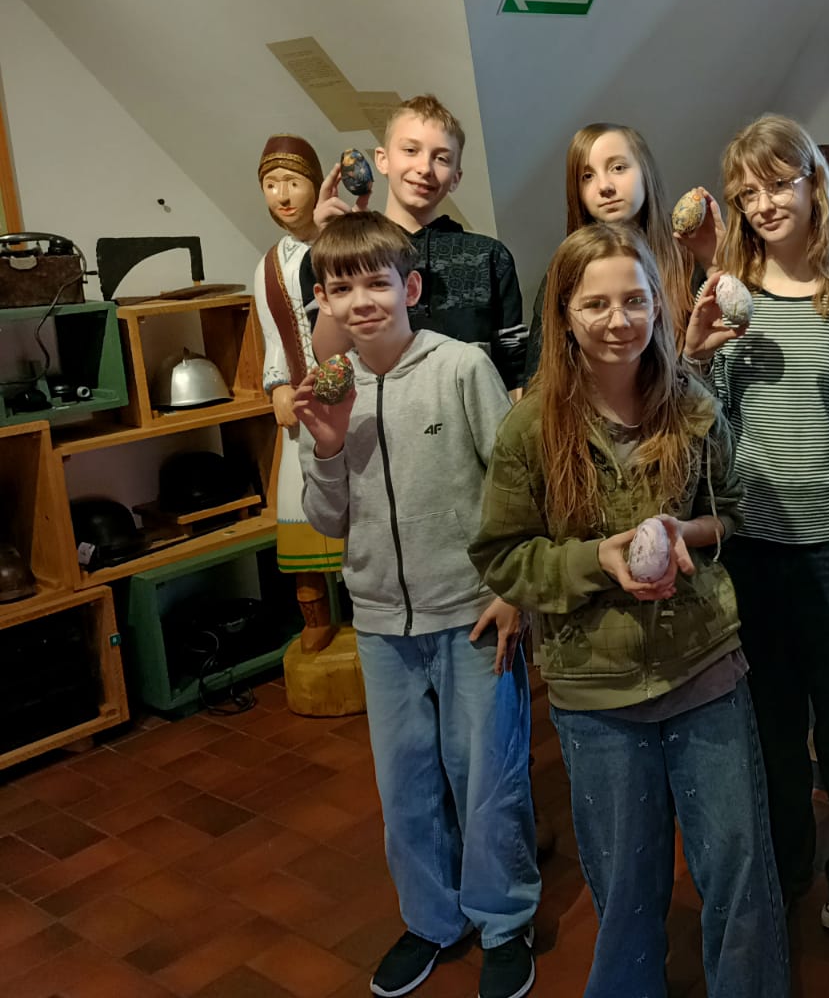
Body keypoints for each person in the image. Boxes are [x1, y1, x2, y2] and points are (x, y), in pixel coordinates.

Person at [471, 222, 788, 998]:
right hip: (596, 689)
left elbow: (734, 511)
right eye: (595, 304)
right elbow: (504, 557)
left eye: (636, 300)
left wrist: (685, 533)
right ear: (563, 315)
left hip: (704, 666)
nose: (619, 320)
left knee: (740, 873)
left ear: (657, 303)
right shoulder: (530, 429)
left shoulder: (691, 405)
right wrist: (596, 561)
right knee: (626, 889)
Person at [295, 212, 540, 998]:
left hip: (471, 613)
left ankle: (505, 919)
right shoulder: (328, 393)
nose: (361, 301)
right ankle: (432, 918)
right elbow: (327, 518)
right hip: (379, 624)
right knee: (404, 786)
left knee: (488, 777)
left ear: (410, 288)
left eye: (376, 282)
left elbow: (514, 484)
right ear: (324, 301)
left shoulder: (461, 367)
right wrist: (328, 445)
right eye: (341, 288)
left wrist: (511, 589)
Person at [684, 113, 829, 934]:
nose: (765, 203)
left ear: (814, 183)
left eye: (778, 183)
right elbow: (704, 426)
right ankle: (784, 864)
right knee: (772, 727)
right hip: (753, 545)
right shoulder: (726, 298)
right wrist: (697, 356)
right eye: (748, 192)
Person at [307, 93, 528, 392]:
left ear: (456, 177)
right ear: (382, 160)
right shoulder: (331, 252)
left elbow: (514, 371)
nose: (425, 168)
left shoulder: (489, 256)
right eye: (410, 150)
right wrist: (339, 251)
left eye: (441, 158)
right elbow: (329, 358)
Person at [522, 122, 719, 380]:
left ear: (645, 172)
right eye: (587, 176)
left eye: (618, 168)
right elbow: (541, 378)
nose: (605, 186)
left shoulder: (690, 258)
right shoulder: (564, 272)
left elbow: (729, 370)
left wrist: (716, 265)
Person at [251, 134, 343, 651]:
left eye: (292, 182)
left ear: (316, 184)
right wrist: (278, 385)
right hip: (303, 405)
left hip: (353, 394)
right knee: (298, 500)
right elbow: (272, 335)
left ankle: (370, 610)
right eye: (272, 185)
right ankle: (315, 616)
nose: (283, 195)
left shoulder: (341, 245)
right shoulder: (269, 265)